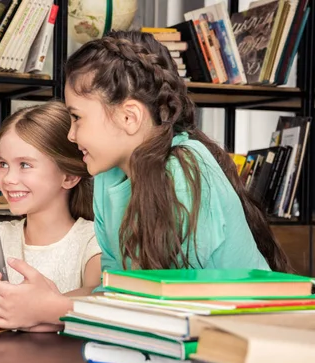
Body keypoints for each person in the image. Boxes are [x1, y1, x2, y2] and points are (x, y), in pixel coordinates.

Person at [63, 30, 290, 279]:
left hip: (235, 315)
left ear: (129, 117)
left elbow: (176, 300)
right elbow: (115, 286)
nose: (70, 135)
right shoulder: (108, 178)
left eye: (77, 117)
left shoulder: (185, 171)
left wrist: (55, 306)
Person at [0, 102, 102, 331]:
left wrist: (41, 310)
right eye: (3, 164)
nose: (7, 178)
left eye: (25, 165)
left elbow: (96, 292)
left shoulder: (92, 238)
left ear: (68, 177)